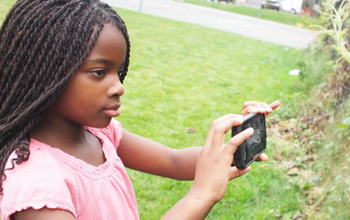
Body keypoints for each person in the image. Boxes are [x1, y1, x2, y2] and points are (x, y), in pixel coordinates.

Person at [0, 0, 280, 219]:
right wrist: (200, 196)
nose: (118, 86)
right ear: (47, 74)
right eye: (100, 72)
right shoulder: (38, 185)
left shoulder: (101, 135)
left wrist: (233, 146)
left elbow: (172, 161)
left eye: (119, 71)